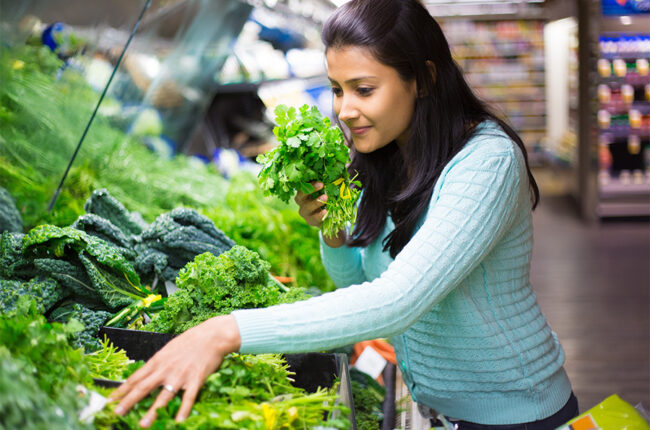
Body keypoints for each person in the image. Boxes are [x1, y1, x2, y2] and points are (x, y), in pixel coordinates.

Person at [110, 0, 580, 428]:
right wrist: (333, 232)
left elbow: (397, 302)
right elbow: (359, 287)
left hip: (517, 415)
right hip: (441, 413)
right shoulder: (390, 155)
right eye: (337, 90)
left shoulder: (486, 162)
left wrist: (227, 331)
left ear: (425, 79)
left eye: (364, 89)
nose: (346, 110)